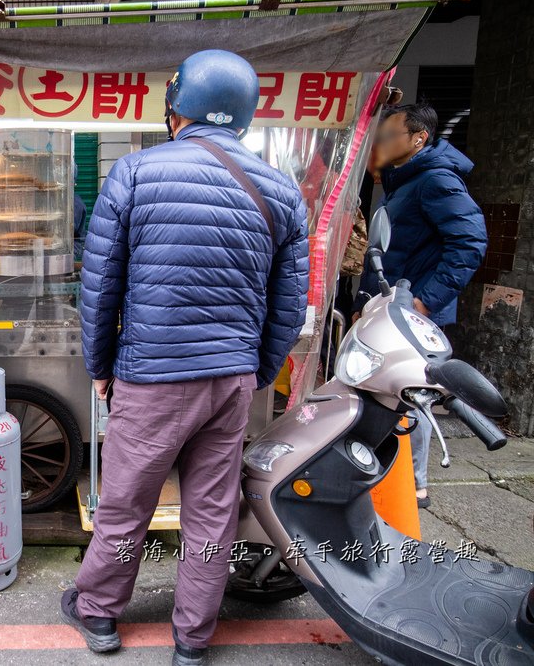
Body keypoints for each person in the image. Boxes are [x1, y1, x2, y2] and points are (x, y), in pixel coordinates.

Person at [62, 50, 309, 666]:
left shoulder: (135, 173)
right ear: (244, 118)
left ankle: (98, 614)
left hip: (151, 377)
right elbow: (287, 305)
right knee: (211, 510)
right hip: (230, 381)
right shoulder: (281, 191)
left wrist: (99, 366)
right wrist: (253, 370)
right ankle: (193, 639)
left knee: (125, 505)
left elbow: (100, 289)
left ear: (176, 110)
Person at [353, 102, 487, 509]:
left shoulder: (436, 181)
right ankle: (388, 478)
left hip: (410, 315)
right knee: (390, 393)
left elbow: (469, 243)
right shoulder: (404, 180)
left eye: (388, 136)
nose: (380, 144)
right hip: (392, 309)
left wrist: (425, 301)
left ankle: (414, 485)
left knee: (413, 393)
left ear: (418, 138)